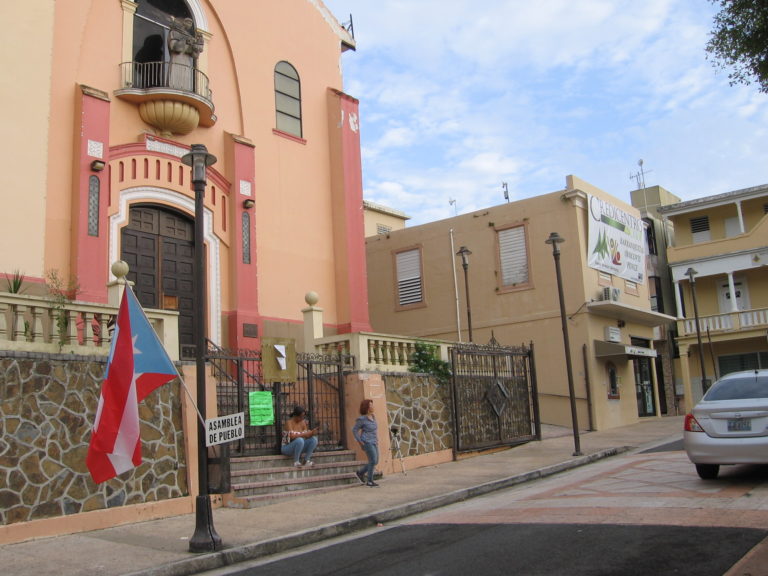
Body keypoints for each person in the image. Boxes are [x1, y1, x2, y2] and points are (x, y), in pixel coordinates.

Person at [352, 399, 379, 487]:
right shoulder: (362, 419)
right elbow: (354, 430)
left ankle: (360, 473)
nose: (372, 406)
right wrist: (360, 442)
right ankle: (370, 481)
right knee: (373, 460)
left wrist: (377, 439)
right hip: (367, 442)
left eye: (372, 405)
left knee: (375, 461)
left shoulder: (373, 417)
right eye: (370, 405)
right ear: (367, 407)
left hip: (374, 442)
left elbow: (374, 430)